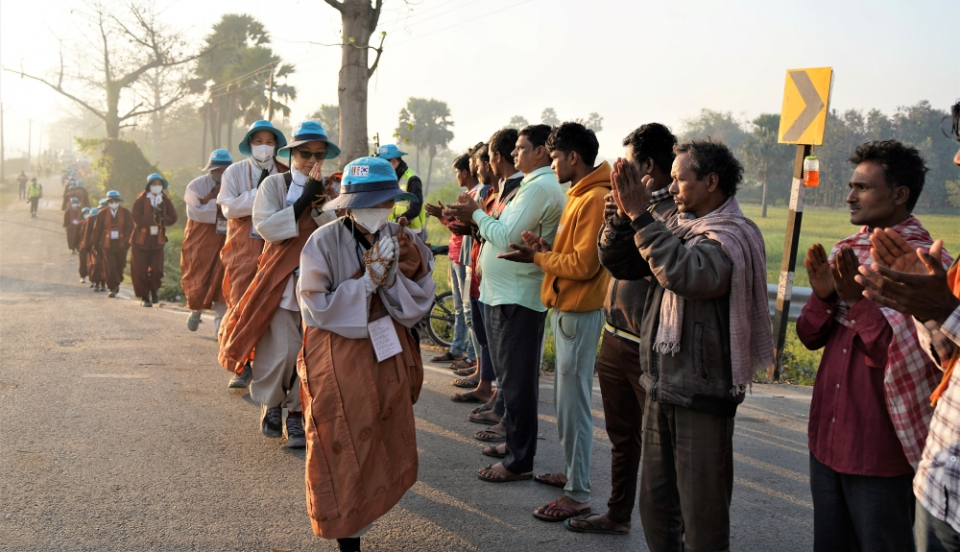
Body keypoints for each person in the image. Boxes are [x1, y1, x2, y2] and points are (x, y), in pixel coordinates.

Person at [609, 139, 774, 551]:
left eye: (681, 180)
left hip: (701, 395)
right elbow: (624, 264)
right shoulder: (676, 228)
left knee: (703, 521)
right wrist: (619, 220)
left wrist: (641, 217)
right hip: (662, 386)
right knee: (656, 509)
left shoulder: (731, 237)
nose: (673, 187)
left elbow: (686, 274)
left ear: (711, 182)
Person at [798, 140, 953, 552]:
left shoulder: (928, 267)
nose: (850, 196)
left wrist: (853, 302)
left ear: (899, 195)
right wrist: (823, 296)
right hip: (827, 436)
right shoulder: (847, 251)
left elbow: (906, 359)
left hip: (880, 449)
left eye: (862, 187)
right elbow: (810, 338)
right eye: (851, 186)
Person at [297, 156, 435, 552]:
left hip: (384, 344)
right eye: (366, 203)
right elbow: (314, 305)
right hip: (337, 348)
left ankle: (368, 508)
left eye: (383, 202)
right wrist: (365, 283)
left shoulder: (402, 238)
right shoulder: (322, 241)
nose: (376, 211)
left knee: (383, 427)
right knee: (340, 434)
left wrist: (389, 279)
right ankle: (348, 533)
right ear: (347, 204)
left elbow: (420, 299)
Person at [856, 111, 960, 552]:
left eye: (863, 187)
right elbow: (947, 358)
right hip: (940, 482)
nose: (956, 160)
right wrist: (928, 312)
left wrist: (944, 310)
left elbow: (883, 349)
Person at [569, 123, 679, 535]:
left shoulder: (674, 210)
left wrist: (635, 217)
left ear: (649, 164)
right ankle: (618, 514)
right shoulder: (632, 205)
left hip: (649, 345)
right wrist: (615, 222)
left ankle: (669, 531)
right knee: (622, 438)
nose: (623, 174)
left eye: (631, 164)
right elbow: (610, 259)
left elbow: (656, 266)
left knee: (659, 447)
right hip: (615, 335)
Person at [498, 121, 611, 521]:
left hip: (579, 314)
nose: (554, 162)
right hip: (568, 312)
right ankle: (572, 475)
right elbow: (574, 254)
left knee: (574, 406)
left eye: (557, 156)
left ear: (573, 158)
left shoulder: (594, 198)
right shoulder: (580, 195)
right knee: (565, 405)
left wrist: (539, 259)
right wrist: (546, 250)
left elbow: (583, 265)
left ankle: (578, 492)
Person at [445, 124, 566, 483]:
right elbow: (501, 229)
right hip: (505, 294)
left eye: (522, 148)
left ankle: (519, 459)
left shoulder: (540, 187)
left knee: (517, 382)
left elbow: (507, 235)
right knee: (512, 380)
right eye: (513, 149)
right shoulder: (529, 186)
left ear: (542, 152)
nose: (515, 154)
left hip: (519, 297)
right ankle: (513, 444)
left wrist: (476, 216)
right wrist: (480, 218)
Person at [218, 120, 339, 448]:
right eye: (305, 153)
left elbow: (335, 232)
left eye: (318, 154)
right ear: (292, 153)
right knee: (284, 350)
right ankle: (273, 403)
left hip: (317, 281)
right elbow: (267, 228)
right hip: (280, 279)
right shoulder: (274, 185)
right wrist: (302, 203)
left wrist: (320, 204)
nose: (311, 160)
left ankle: (298, 415)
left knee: (310, 354)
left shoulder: (330, 189)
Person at [462, 130, 524, 436]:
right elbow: (491, 231)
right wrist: (471, 221)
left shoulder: (524, 189)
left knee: (513, 365)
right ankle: (502, 409)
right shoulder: (505, 190)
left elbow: (505, 236)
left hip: (513, 291)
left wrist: (474, 217)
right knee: (500, 356)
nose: (479, 167)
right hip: (493, 285)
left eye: (482, 160)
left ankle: (512, 427)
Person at [217, 119, 287, 389]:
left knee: (272, 305)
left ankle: (268, 365)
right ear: (249, 145)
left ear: (277, 146)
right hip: (242, 249)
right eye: (258, 142)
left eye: (269, 142)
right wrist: (261, 195)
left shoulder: (285, 172)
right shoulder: (234, 172)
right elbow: (229, 208)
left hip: (276, 247)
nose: (263, 147)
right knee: (240, 304)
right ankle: (240, 364)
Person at [424, 153, 478, 370]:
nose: (456, 176)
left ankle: (472, 356)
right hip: (457, 256)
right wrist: (442, 216)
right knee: (460, 308)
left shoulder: (474, 196)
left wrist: (445, 216)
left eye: (457, 172)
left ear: (465, 172)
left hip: (466, 258)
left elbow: (466, 227)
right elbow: (455, 227)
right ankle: (457, 349)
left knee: (469, 310)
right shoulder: (466, 195)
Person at [181, 149, 232, 333]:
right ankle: (196, 309)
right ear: (211, 169)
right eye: (218, 169)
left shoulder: (235, 185)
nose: (222, 173)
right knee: (198, 276)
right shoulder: (197, 185)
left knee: (223, 279)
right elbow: (196, 211)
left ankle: (221, 326)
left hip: (226, 238)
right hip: (202, 240)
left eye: (225, 170)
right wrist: (218, 203)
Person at [130, 173, 178, 307]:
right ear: (148, 186)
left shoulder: (166, 201)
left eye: (159, 184)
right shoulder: (140, 201)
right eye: (154, 184)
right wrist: (153, 217)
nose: (156, 187)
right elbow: (136, 218)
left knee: (157, 269)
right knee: (140, 270)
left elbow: (173, 217)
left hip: (158, 240)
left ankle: (154, 290)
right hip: (141, 240)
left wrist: (161, 219)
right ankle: (144, 296)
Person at [376, 144, 427, 242]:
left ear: (393, 162)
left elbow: (415, 208)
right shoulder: (390, 178)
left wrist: (396, 221)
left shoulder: (412, 179)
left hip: (413, 234)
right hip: (394, 231)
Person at [92, 190, 133, 298]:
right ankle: (112, 288)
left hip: (121, 244)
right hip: (107, 244)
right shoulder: (102, 213)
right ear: (108, 202)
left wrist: (127, 241)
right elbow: (98, 230)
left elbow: (130, 228)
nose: (113, 203)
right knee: (109, 266)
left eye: (115, 201)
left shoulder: (125, 212)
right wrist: (95, 244)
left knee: (120, 266)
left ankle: (117, 282)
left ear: (119, 201)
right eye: (111, 201)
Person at [77, 207, 92, 283]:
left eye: (88, 213)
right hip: (82, 246)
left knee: (92, 262)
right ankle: (83, 276)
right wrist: (77, 245)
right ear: (82, 215)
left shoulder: (94, 223)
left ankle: (93, 278)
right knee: (83, 262)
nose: (87, 215)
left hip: (91, 245)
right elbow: (76, 236)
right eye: (85, 214)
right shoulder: (80, 224)